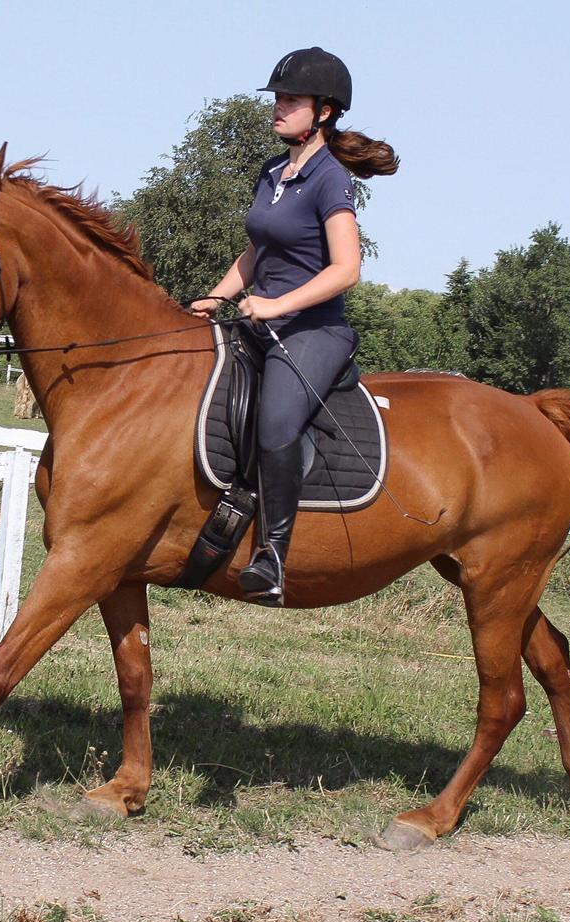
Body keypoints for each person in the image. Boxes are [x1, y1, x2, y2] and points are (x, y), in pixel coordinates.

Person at [191, 47, 399, 606]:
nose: (278, 108)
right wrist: (216, 296)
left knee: (278, 421)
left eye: (290, 100)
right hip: (262, 322)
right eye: (278, 98)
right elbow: (258, 252)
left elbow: (346, 269)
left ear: (324, 111)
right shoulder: (273, 173)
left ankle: (273, 558)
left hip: (313, 333)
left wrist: (277, 306)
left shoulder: (331, 180)